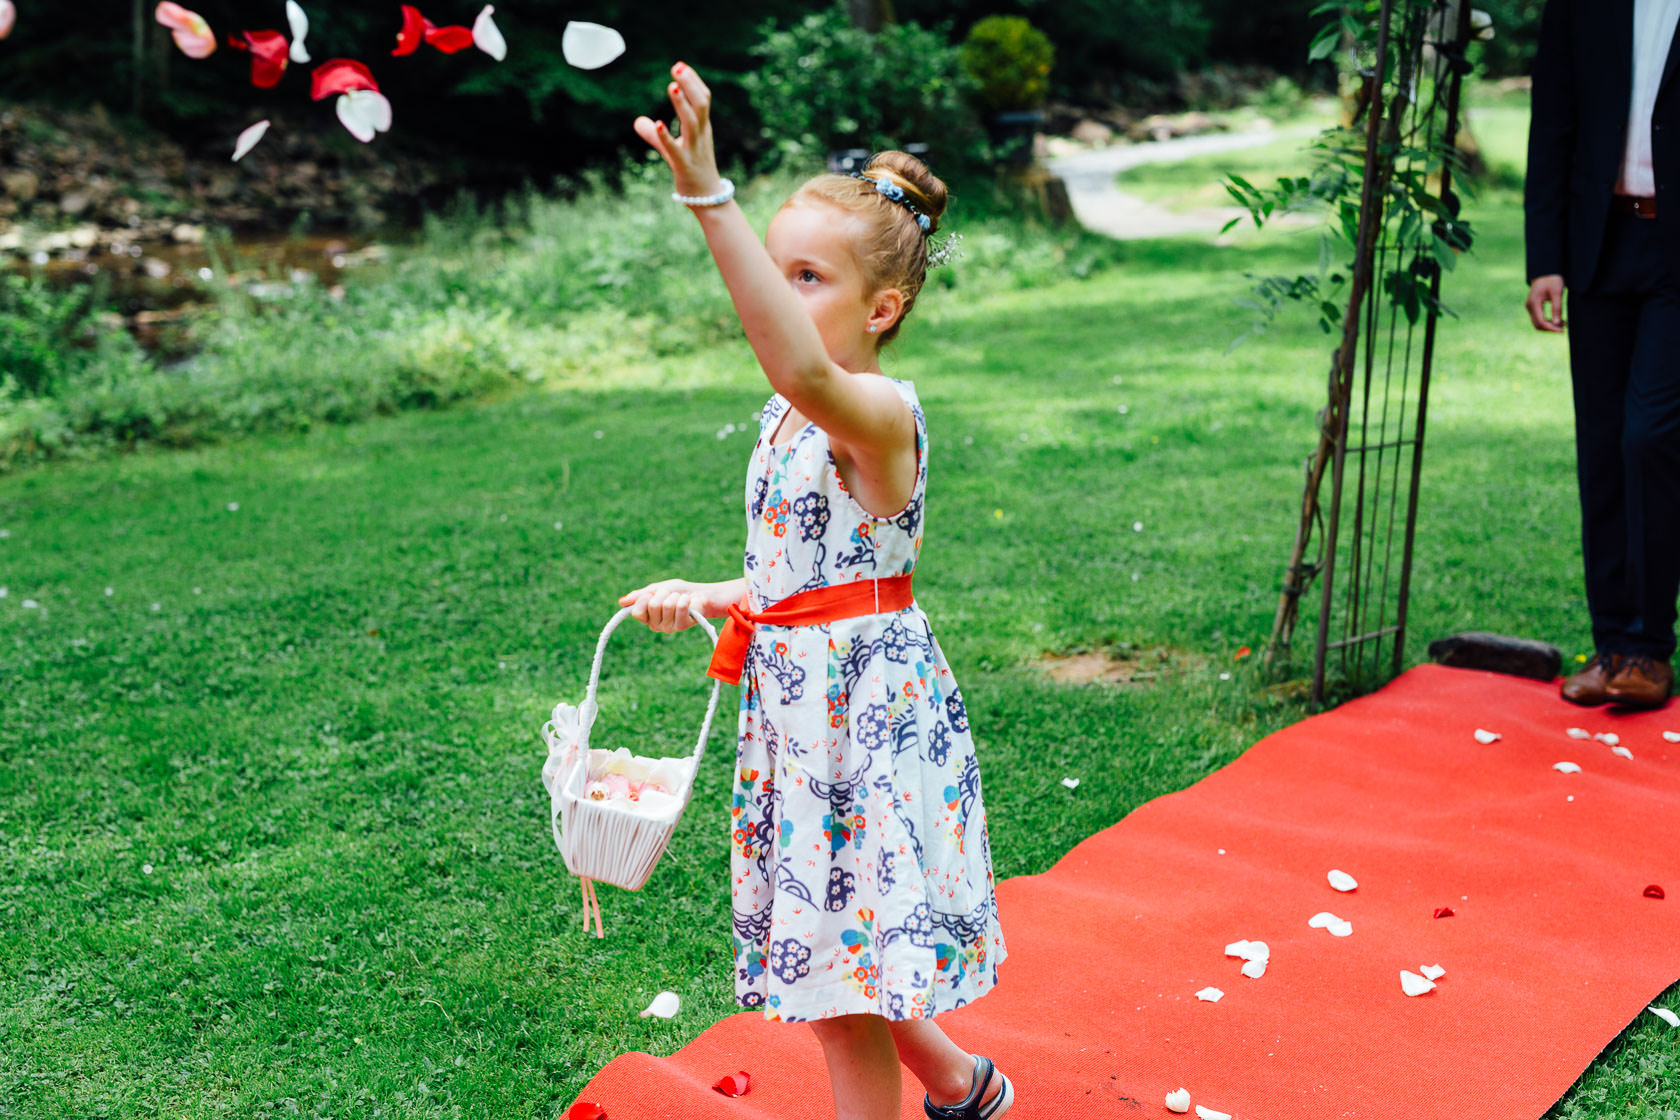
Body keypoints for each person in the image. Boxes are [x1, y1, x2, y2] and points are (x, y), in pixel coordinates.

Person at [614, 62, 1012, 1120]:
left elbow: (800, 370)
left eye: (809, 280)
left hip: (865, 723)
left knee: (841, 985)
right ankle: (964, 1084)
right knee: (846, 953)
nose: (786, 301)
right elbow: (804, 570)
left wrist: (711, 198)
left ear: (883, 307)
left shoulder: (873, 412)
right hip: (799, 711)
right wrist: (710, 592)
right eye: (779, 273)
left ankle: (944, 1086)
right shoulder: (789, 419)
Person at [1525, 0, 1680, 710]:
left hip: (1675, 259)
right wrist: (1544, 259)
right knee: (1601, 450)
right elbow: (1552, 124)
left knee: (1648, 438)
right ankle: (1614, 644)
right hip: (1597, 249)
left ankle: (1650, 648)